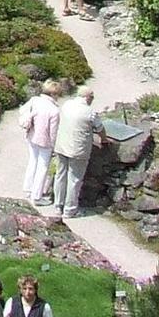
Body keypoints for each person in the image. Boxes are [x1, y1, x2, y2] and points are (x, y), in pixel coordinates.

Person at [50, 84, 103, 221]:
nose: (92, 99)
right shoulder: (89, 112)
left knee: (60, 176)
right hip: (78, 150)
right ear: (87, 97)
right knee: (74, 179)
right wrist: (104, 139)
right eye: (92, 97)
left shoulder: (67, 105)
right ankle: (70, 210)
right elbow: (100, 128)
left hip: (61, 146)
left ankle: (57, 206)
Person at [18, 79, 61, 205]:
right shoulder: (54, 110)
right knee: (42, 168)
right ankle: (37, 197)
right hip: (45, 142)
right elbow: (53, 133)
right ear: (53, 94)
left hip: (31, 135)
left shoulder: (35, 100)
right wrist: (54, 147)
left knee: (32, 162)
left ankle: (28, 188)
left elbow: (22, 111)